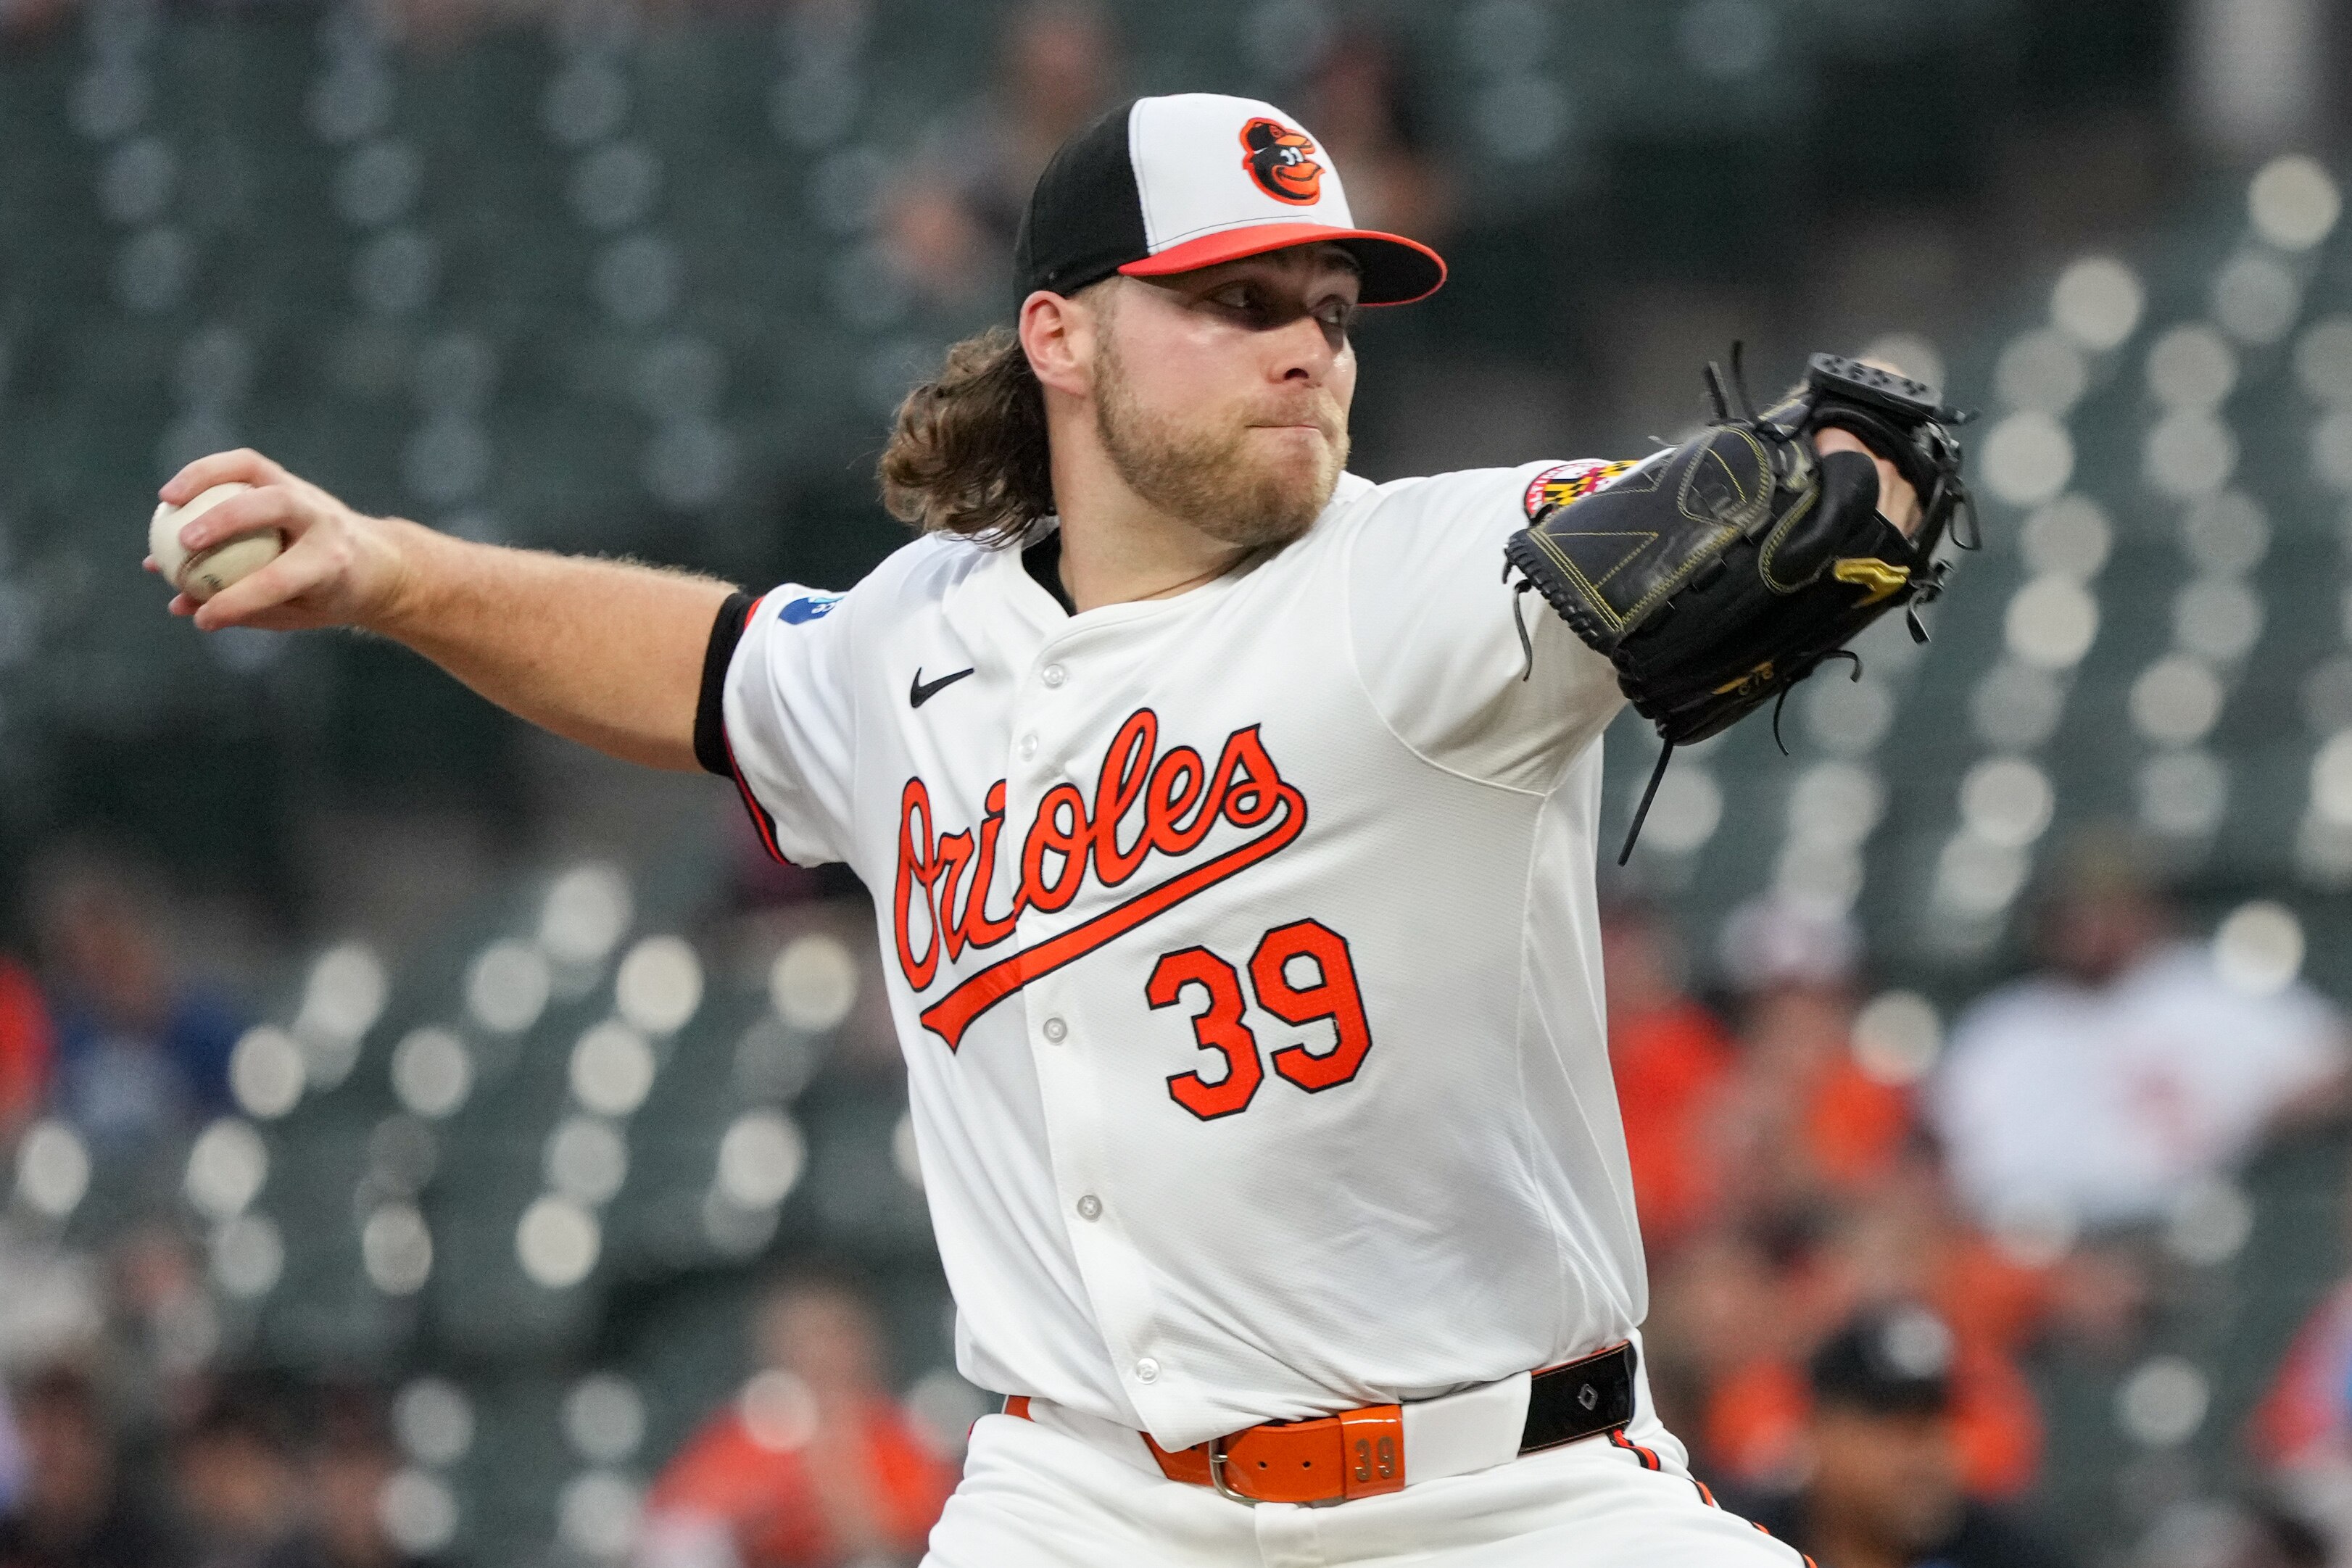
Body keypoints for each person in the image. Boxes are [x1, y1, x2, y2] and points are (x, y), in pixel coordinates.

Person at [151, 91, 1932, 1565]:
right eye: (1236, 303)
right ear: (1057, 335)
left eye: (1327, 307)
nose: (1307, 350)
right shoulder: (919, 633)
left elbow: (1817, 484)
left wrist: (1867, 479)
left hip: (1504, 1497)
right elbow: (709, 672)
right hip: (1083, 1500)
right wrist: (393, 573)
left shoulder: (1430, 580)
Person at [1931, 833, 2346, 1237]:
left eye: (2104, 907)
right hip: (2045, 1248)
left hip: (2211, 1223)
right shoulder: (2002, 1029)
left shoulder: (2209, 987)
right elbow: (1944, 1162)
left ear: (2145, 908)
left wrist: (2262, 1124)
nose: (2088, 926)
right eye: (2073, 912)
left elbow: (2336, 1069)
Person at [639, 1269, 960, 1568]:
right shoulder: (746, 1434)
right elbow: (672, 1529)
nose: (818, 1353)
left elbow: (917, 1537)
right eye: (802, 1336)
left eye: (833, 1333)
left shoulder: (903, 1436)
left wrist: (837, 1466)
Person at [1736, 1306, 2071, 1568]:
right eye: (1892, 1424)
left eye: (1937, 1422)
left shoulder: (2010, 1555)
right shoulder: (1741, 1544)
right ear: (1819, 1432)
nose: (1925, 1454)